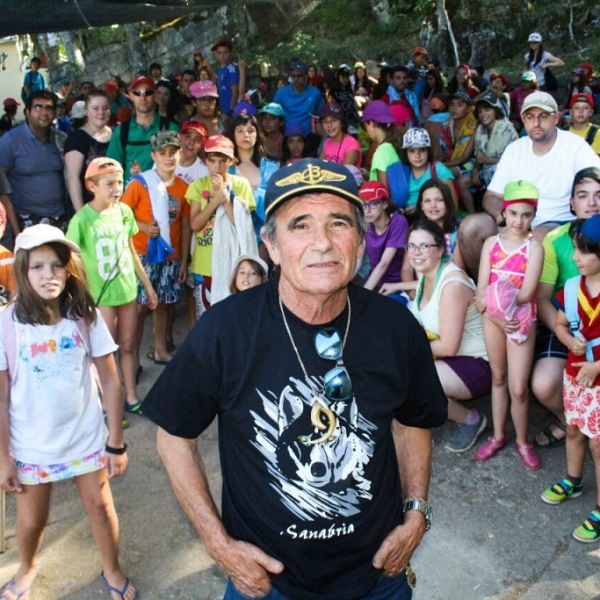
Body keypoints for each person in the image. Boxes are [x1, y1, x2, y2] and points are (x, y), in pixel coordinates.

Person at [142, 157, 447, 600]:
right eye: (300, 225)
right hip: (267, 584)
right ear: (271, 245)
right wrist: (218, 544)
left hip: (378, 576)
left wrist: (416, 512)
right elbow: (174, 438)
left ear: (360, 243)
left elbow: (413, 419)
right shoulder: (226, 330)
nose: (321, 243)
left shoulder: (396, 329)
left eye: (338, 224)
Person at [0, 224, 137, 600]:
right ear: (23, 272)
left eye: (57, 266)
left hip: (86, 439)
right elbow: (0, 397)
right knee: (30, 522)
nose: (49, 275)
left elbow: (111, 382)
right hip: (31, 445)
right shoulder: (6, 324)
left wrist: (116, 443)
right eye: (38, 267)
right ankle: (27, 566)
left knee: (101, 508)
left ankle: (111, 568)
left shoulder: (84, 316)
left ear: (69, 269)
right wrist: (3, 458)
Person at [458, 91, 600, 280]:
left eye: (543, 116)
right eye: (530, 116)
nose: (536, 123)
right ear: (523, 118)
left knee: (537, 237)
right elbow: (491, 196)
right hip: (515, 218)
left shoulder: (575, 147)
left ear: (556, 117)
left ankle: (523, 302)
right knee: (470, 226)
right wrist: (504, 219)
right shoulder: (515, 149)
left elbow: (596, 181)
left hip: (558, 221)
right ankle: (489, 291)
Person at [66, 157, 158, 414]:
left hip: (127, 291)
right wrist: (76, 295)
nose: (117, 188)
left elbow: (130, 250)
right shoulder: (82, 220)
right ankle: (108, 404)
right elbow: (70, 260)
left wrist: (147, 285)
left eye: (119, 182)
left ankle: (131, 396)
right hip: (100, 298)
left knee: (128, 346)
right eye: (110, 183)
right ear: (91, 185)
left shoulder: (124, 212)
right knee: (103, 352)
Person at [403, 220, 490, 452]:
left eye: (424, 246)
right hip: (448, 356)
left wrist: (407, 352)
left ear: (441, 249)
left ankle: (470, 419)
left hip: (476, 363)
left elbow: (449, 346)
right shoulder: (426, 274)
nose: (416, 253)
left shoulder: (451, 284)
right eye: (411, 246)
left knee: (412, 382)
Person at [474, 180, 544, 470]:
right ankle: (499, 435)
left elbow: (526, 294)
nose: (519, 220)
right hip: (494, 319)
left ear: (533, 217)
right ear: (504, 213)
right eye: (513, 213)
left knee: (518, 388)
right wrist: (494, 313)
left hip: (520, 321)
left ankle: (522, 441)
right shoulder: (491, 244)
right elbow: (480, 291)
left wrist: (499, 310)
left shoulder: (534, 248)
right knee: (498, 378)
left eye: (526, 215)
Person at [540, 215, 600, 543]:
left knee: (598, 443)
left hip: (597, 380)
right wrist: (566, 341)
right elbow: (561, 324)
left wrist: (597, 366)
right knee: (574, 428)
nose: (574, 257)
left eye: (582, 252)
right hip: (576, 377)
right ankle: (573, 480)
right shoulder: (572, 287)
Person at [532, 168, 600, 449]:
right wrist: (568, 336)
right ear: (571, 202)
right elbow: (543, 297)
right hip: (566, 324)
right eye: (583, 196)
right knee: (544, 385)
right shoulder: (556, 239)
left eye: (599, 195)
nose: (592, 202)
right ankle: (570, 420)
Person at [121, 131, 191, 370]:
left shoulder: (184, 188)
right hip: (143, 255)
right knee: (140, 308)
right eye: (163, 153)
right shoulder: (140, 183)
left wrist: (182, 260)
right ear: (154, 156)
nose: (168, 158)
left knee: (163, 304)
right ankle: (133, 358)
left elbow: (184, 224)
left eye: (173, 153)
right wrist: (141, 226)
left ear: (180, 154)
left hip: (171, 255)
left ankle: (161, 350)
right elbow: (121, 214)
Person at [185, 135, 256, 317]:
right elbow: (195, 224)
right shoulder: (198, 185)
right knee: (207, 316)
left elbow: (242, 226)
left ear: (232, 161)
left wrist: (225, 200)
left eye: (223, 161)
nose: (217, 166)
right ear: (205, 161)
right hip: (205, 263)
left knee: (232, 314)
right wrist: (215, 201)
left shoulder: (241, 184)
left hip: (233, 261)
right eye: (212, 161)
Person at [0, 90, 66, 240]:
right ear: (27, 112)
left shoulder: (61, 139)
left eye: (49, 108)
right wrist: (16, 234)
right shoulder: (10, 141)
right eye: (38, 107)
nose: (44, 112)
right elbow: (1, 188)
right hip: (26, 221)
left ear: (55, 113)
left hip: (60, 219)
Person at [106, 75, 179, 184]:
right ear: (131, 95)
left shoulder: (170, 128)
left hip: (163, 195)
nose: (143, 97)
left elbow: (181, 166)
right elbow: (111, 169)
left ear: (155, 95)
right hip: (131, 197)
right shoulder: (121, 131)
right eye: (137, 92)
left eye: (148, 92)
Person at [388, 127, 456, 215]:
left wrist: (421, 209)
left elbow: (453, 207)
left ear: (428, 151)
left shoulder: (439, 170)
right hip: (405, 218)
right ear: (406, 153)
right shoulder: (400, 171)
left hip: (433, 217)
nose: (417, 156)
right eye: (412, 151)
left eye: (422, 150)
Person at [64, 89, 113, 211]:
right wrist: (81, 215)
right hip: (88, 208)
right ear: (86, 111)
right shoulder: (77, 138)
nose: (101, 112)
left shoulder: (117, 134)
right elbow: (72, 177)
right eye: (95, 108)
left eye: (105, 108)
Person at [358, 180, 408, 291]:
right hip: (374, 280)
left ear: (385, 204)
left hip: (396, 284)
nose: (367, 210)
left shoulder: (398, 222)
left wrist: (365, 294)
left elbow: (384, 263)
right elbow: (359, 259)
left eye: (373, 203)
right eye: (364, 204)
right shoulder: (366, 224)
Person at [469, 92, 518, 204]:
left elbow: (512, 162)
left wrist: (486, 160)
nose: (483, 114)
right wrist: (475, 170)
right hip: (486, 169)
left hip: (508, 172)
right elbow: (479, 157)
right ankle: (473, 214)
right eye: (480, 111)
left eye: (487, 110)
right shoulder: (481, 129)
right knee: (463, 181)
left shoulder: (506, 129)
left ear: (496, 110)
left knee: (494, 172)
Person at [273, 59, 324, 135]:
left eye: (300, 76)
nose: (296, 79)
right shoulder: (281, 93)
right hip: (287, 138)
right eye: (293, 76)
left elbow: (321, 118)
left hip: (309, 138)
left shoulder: (315, 93)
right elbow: (274, 116)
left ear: (306, 76)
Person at [362, 100, 400, 188]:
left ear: (372, 124)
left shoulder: (381, 152)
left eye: (366, 126)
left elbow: (383, 191)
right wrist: (368, 175)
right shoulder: (390, 145)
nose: (367, 131)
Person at [317, 102, 362, 167]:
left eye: (334, 120)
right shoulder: (327, 143)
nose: (329, 125)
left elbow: (344, 173)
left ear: (342, 123)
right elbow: (319, 167)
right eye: (325, 122)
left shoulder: (352, 144)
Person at [212, 36, 240, 117]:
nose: (222, 56)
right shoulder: (219, 70)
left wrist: (231, 111)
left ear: (231, 53)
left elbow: (235, 92)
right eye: (219, 53)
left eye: (225, 52)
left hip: (230, 110)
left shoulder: (231, 69)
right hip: (222, 109)